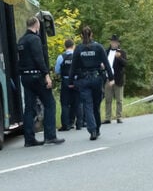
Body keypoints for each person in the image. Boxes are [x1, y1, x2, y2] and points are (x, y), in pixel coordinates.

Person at [17, 16, 64, 147]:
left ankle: (29, 139)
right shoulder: (35, 39)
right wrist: (46, 75)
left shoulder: (21, 41)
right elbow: (39, 58)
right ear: (36, 25)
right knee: (49, 103)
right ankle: (50, 136)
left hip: (25, 78)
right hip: (36, 76)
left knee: (29, 108)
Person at [69, 26, 113, 140]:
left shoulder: (78, 49)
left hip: (83, 80)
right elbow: (106, 63)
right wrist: (111, 78)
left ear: (81, 36)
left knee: (87, 105)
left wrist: (70, 81)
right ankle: (96, 128)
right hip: (96, 79)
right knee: (96, 105)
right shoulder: (98, 47)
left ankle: (92, 130)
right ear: (91, 34)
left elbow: (73, 66)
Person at [54, 38, 79, 130]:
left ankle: (65, 124)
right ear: (73, 46)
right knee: (76, 102)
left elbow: (57, 70)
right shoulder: (77, 56)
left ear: (65, 46)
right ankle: (75, 122)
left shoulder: (61, 57)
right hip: (76, 81)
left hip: (65, 81)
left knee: (65, 103)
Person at [103, 34, 128, 124]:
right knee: (108, 99)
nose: (113, 44)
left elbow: (125, 63)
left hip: (118, 79)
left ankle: (119, 117)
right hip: (108, 78)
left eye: (115, 42)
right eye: (112, 42)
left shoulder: (122, 52)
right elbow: (103, 63)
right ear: (110, 43)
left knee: (119, 99)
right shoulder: (106, 52)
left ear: (118, 43)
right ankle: (107, 118)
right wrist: (102, 66)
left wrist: (119, 58)